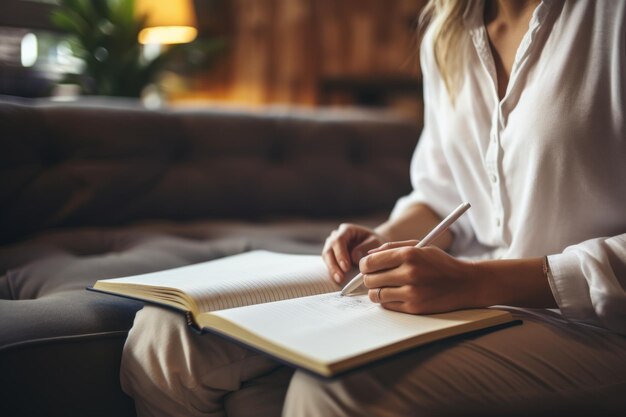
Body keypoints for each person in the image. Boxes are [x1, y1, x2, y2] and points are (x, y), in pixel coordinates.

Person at [120, 0, 626, 416]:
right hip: (463, 291)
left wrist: (478, 283)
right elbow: (443, 193)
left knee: (335, 395)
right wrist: (387, 235)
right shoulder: (448, 32)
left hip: (588, 323)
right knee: (165, 336)